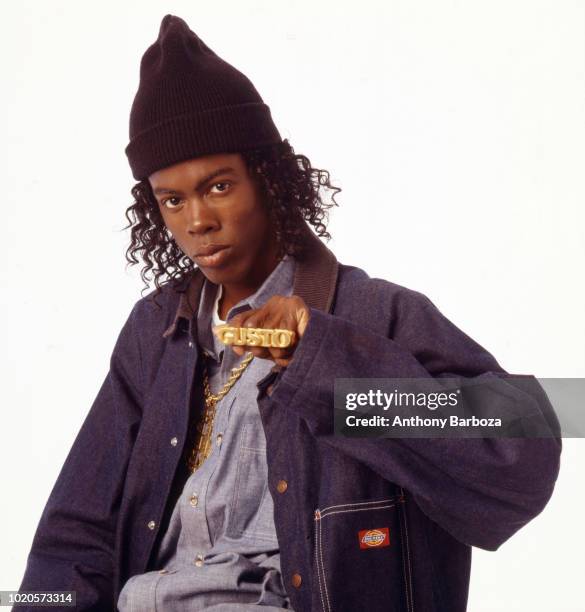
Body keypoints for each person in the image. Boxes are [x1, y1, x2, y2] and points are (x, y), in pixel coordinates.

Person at [17, 14, 561, 612]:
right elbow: (75, 533)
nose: (197, 220)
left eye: (218, 186)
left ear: (267, 178)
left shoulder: (374, 314)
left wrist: (324, 360)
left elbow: (526, 442)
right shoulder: (157, 332)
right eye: (173, 200)